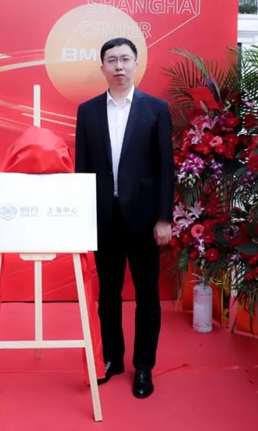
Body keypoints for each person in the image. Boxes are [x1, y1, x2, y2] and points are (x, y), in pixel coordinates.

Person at [74, 37, 174, 399]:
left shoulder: (156, 109)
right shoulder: (87, 111)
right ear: (102, 67)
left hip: (145, 219)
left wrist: (164, 218)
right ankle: (112, 358)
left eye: (125, 59)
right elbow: (82, 168)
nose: (119, 66)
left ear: (135, 64)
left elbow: (165, 168)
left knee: (147, 296)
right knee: (108, 295)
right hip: (104, 218)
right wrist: (82, 218)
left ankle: (144, 366)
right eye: (112, 60)